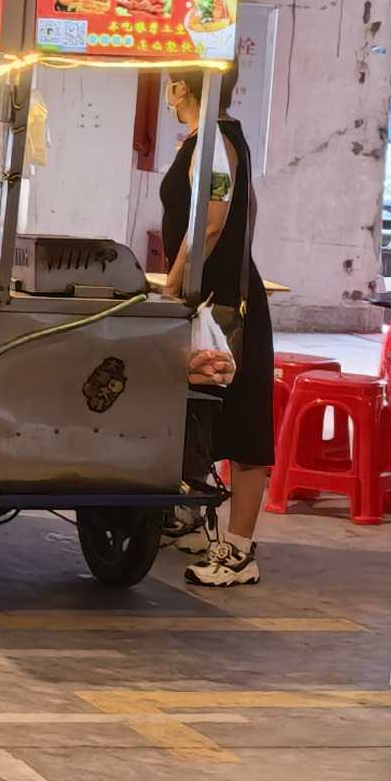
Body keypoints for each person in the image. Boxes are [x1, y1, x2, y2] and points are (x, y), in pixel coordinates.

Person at [157, 70, 275, 589]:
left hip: (226, 306)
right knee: (202, 414)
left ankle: (240, 552)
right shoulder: (223, 138)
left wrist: (173, 283)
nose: (167, 91)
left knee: (244, 423)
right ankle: (195, 524)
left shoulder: (214, 141)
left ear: (182, 89)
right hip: (216, 296)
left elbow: (211, 220)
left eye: (170, 82)